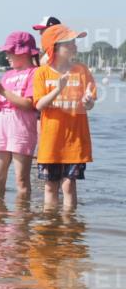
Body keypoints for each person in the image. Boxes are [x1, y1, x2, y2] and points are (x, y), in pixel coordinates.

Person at [33, 25, 96, 211]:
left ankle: (69, 229)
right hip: (51, 141)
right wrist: (58, 89)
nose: (75, 46)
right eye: (69, 43)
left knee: (69, 185)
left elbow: (90, 104)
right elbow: (38, 105)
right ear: (54, 48)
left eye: (74, 42)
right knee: (50, 186)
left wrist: (88, 101)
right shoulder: (42, 73)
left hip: (75, 140)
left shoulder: (82, 70)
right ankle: (50, 226)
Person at [0, 31, 39, 200]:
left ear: (23, 51)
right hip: (3, 125)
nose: (6, 56)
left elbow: (28, 104)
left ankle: (22, 222)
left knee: (21, 180)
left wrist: (2, 90)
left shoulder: (35, 73)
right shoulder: (8, 75)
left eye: (9, 52)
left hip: (22, 127)